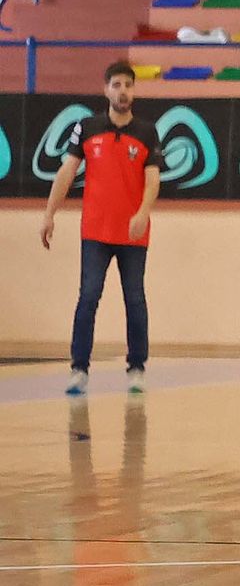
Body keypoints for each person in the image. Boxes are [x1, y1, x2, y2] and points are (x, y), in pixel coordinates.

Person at [40, 61, 163, 396]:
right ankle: (79, 369)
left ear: (134, 91)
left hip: (133, 234)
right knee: (88, 297)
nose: (123, 91)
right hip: (95, 231)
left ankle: (137, 367)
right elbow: (66, 172)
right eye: (117, 85)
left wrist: (142, 212)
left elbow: (153, 180)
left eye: (128, 85)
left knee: (135, 299)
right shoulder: (87, 127)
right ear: (106, 89)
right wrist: (50, 214)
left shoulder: (147, 132)